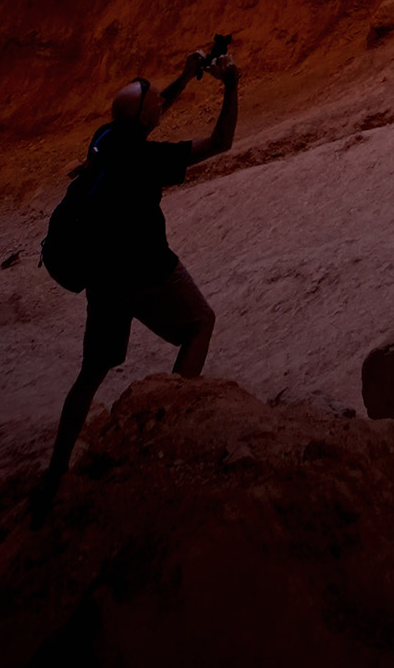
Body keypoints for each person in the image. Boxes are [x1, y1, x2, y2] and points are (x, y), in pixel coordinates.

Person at [31, 46, 240, 522]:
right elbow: (221, 142)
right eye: (154, 103)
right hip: (149, 271)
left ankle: (55, 474)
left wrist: (185, 78)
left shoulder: (105, 140)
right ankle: (170, 420)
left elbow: (144, 114)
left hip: (102, 279)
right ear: (146, 118)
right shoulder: (147, 159)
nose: (160, 105)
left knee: (92, 372)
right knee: (199, 323)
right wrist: (230, 84)